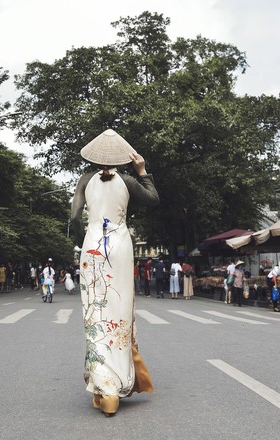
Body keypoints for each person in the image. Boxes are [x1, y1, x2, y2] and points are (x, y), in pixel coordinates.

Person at [70, 129, 159, 417]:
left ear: (95, 157)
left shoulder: (85, 180)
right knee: (120, 313)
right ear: (121, 159)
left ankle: (102, 384)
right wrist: (142, 170)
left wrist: (85, 239)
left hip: (92, 249)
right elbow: (153, 199)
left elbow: (73, 218)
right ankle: (120, 380)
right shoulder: (129, 180)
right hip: (120, 248)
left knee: (94, 315)